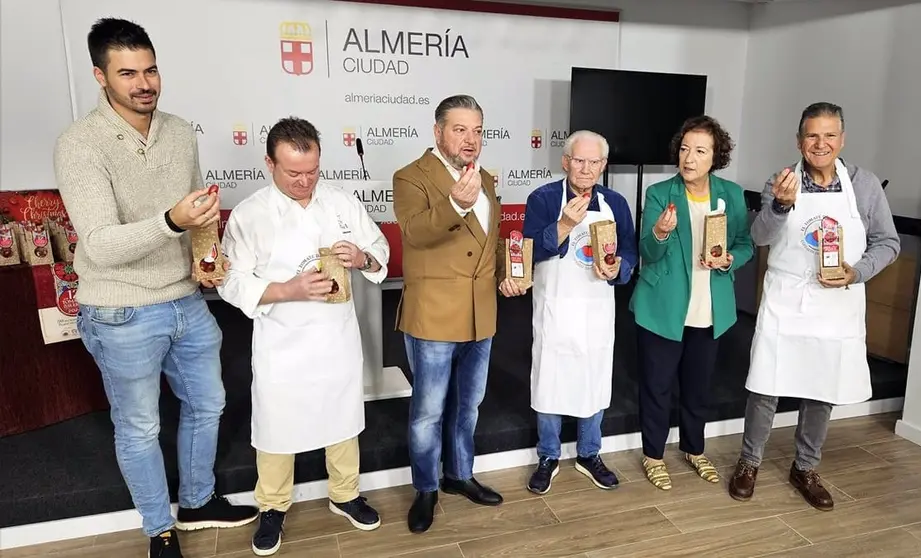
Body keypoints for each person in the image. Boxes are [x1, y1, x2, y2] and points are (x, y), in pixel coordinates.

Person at [53, 18, 257, 558]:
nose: (144, 83)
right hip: (121, 309)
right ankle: (156, 529)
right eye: (127, 73)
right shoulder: (80, 144)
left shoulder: (179, 130)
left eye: (150, 70)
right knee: (140, 426)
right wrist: (171, 219)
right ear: (100, 76)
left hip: (185, 300)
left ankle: (196, 501)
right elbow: (98, 244)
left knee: (208, 403)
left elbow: (197, 218)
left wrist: (207, 258)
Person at [217, 117, 388, 554]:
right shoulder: (250, 214)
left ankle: (345, 493)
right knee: (277, 424)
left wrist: (363, 257)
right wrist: (288, 290)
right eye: (293, 172)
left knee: (342, 417)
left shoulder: (340, 202)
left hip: (335, 337)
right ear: (269, 163)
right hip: (282, 342)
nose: (304, 180)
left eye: (312, 170)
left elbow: (380, 252)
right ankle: (273, 506)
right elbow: (231, 281)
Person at [729, 102, 900, 511]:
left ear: (841, 139)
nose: (820, 144)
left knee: (821, 388)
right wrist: (781, 206)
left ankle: (805, 467)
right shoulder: (782, 181)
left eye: (829, 135)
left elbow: (888, 243)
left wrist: (856, 272)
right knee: (765, 385)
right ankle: (748, 461)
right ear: (799, 140)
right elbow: (761, 237)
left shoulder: (863, 184)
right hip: (787, 297)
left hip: (836, 302)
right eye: (812, 135)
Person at [392, 94, 522, 534]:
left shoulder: (484, 178)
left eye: (478, 130)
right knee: (428, 412)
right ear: (438, 132)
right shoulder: (410, 177)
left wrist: (508, 274)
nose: (471, 139)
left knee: (469, 406)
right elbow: (414, 233)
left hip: (480, 313)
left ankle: (459, 475)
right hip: (433, 316)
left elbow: (488, 244)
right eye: (460, 129)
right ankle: (426, 488)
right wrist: (456, 205)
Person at [630, 116, 754, 491]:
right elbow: (648, 253)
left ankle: (694, 449)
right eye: (684, 149)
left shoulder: (731, 195)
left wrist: (730, 259)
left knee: (698, 386)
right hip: (662, 307)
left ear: (716, 157)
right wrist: (659, 232)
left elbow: (745, 245)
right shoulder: (659, 194)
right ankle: (653, 456)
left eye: (699, 151)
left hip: (709, 308)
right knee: (657, 386)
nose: (688, 158)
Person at [520, 130, 636, 495]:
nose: (586, 169)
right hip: (556, 306)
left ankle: (589, 453)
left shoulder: (616, 202)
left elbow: (630, 251)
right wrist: (565, 224)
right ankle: (548, 455)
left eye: (594, 162)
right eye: (579, 160)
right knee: (550, 379)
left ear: (603, 165)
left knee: (593, 378)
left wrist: (620, 268)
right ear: (565, 161)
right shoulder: (542, 198)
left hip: (597, 310)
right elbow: (530, 251)